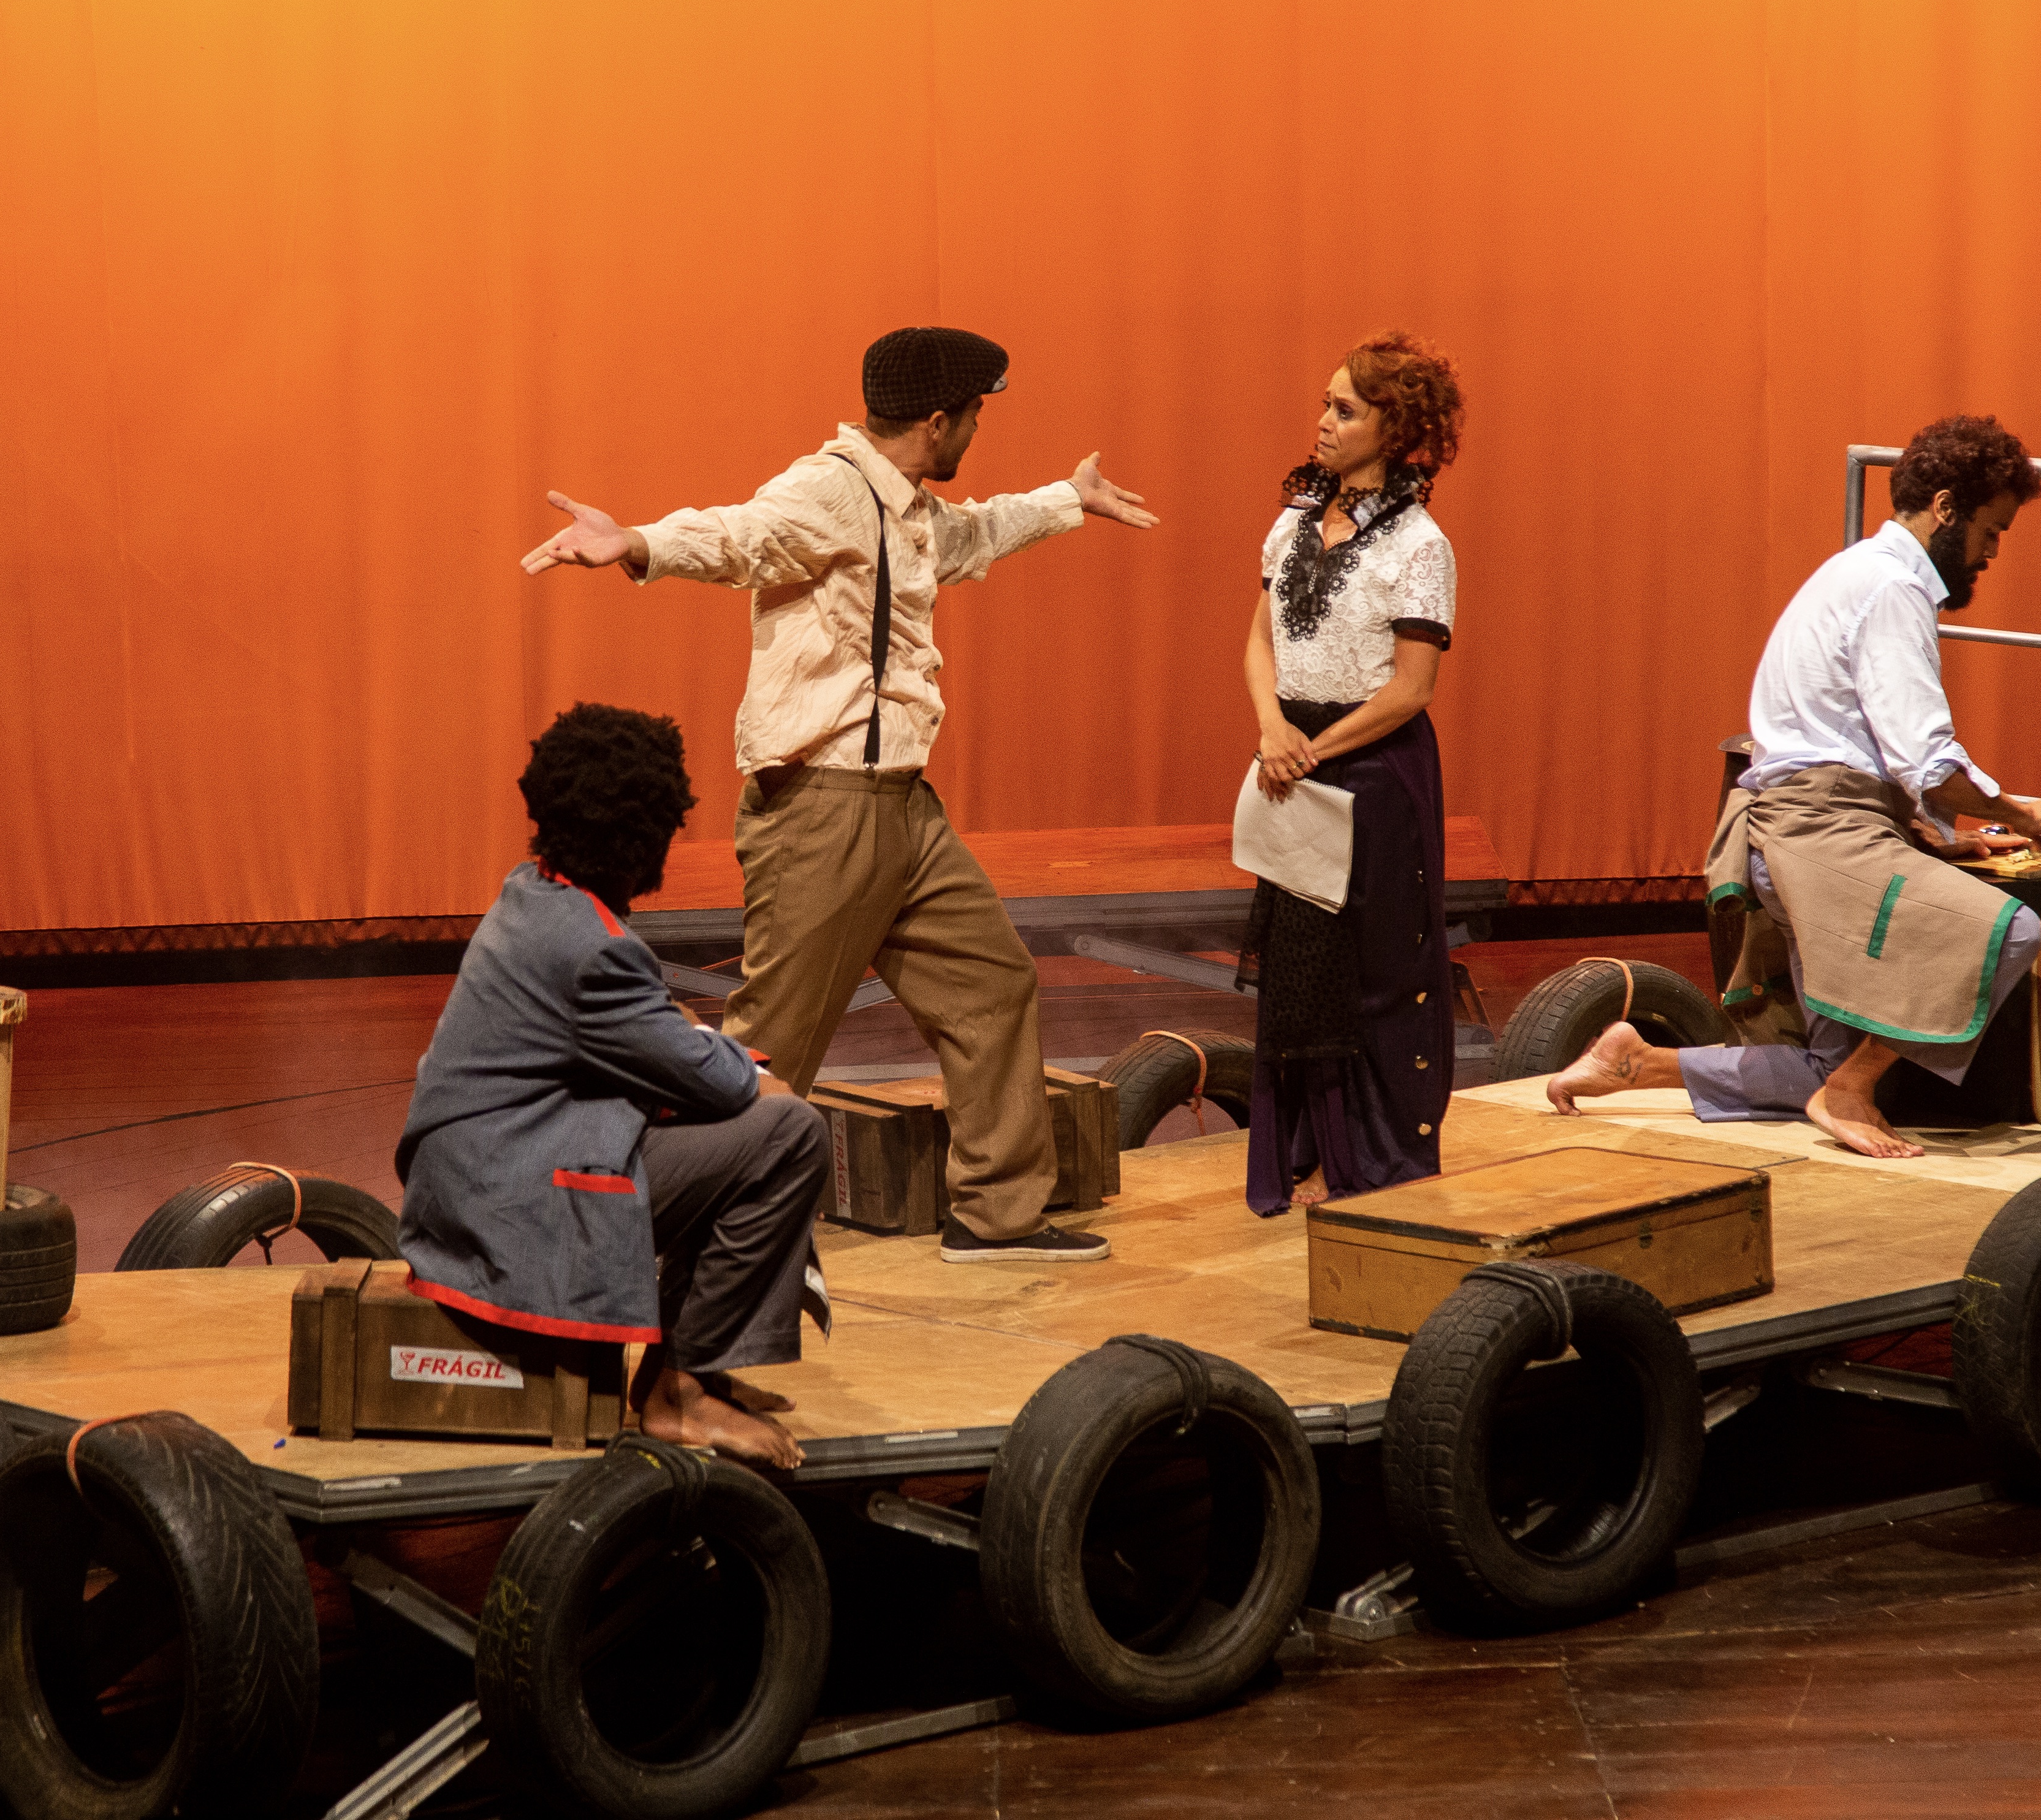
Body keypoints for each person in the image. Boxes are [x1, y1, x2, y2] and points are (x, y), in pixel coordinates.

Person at [520, 327, 1158, 1265]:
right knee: (770, 1043)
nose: (977, 430)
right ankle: (651, 1238)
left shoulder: (907, 506)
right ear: (936, 420)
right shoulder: (830, 489)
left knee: (992, 984)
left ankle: (996, 1213)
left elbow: (971, 536)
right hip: (824, 808)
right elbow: (742, 535)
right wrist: (638, 542)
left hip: (904, 806)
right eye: (975, 416)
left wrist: (1068, 499)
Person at [1546, 413, 2041, 1160]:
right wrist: (2023, 811)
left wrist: (1931, 836)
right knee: (2011, 931)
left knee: (1826, 1063)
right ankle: (1851, 1091)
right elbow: (1926, 761)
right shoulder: (1893, 587)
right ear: (1946, 508)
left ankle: (1638, 1063)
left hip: (1798, 833)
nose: (1992, 553)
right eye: (1993, 530)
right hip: (1821, 837)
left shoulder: (1853, 571)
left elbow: (1851, 750)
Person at [392, 704, 826, 1469]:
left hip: (481, 1181)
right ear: (643, 836)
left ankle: (701, 1366)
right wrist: (758, 1079)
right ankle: (677, 1393)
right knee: (787, 1133)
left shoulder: (537, 893)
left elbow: (657, 1039)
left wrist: (693, 1043)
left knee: (727, 1132)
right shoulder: (590, 947)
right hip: (508, 1210)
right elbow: (715, 1081)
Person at [1237, 332, 1463, 1215]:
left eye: (1345, 410)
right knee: (1300, 971)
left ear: (1393, 429)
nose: (1324, 422)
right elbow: (1259, 642)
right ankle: (1307, 1149)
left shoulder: (1420, 545)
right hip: (1290, 759)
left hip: (1372, 772)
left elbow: (1413, 688)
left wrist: (1312, 750)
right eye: (1325, 405)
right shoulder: (1292, 521)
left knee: (1374, 973)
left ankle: (1370, 1159)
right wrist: (1272, 729)